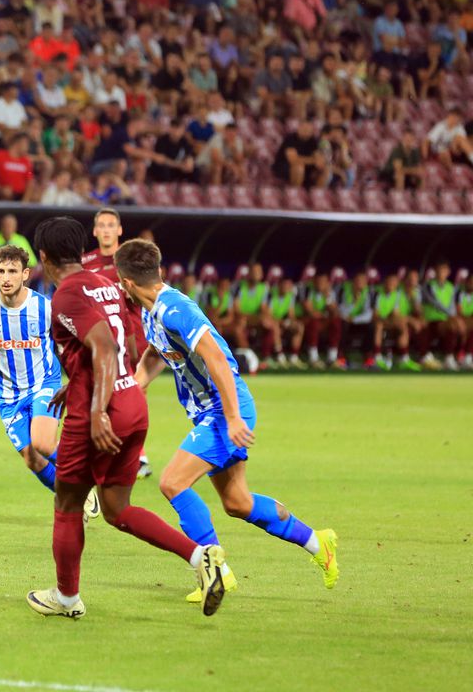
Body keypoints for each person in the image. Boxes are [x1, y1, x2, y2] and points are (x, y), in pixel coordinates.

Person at [116, 238, 339, 605]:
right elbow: (156, 355)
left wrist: (233, 417)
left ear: (126, 282)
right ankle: (319, 542)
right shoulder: (149, 310)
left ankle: (215, 570)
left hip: (224, 409)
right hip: (211, 411)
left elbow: (217, 359)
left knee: (172, 482)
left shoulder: (177, 309)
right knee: (237, 502)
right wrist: (132, 389)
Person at [26, 218, 225, 620]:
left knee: (67, 501)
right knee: (117, 508)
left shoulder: (64, 295)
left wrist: (97, 408)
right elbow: (127, 343)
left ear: (43, 258)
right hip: (131, 400)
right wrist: (85, 382)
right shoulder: (105, 282)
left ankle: (65, 598)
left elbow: (102, 345)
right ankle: (200, 556)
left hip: (100, 412)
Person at [0, 244, 101, 518]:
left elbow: (69, 343)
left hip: (44, 384)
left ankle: (84, 480)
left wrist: (76, 376)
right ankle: (71, 497)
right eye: (1, 271)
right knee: (32, 458)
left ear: (25, 273)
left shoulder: (45, 307)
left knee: (43, 443)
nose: (6, 278)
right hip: (8, 396)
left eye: (13, 271)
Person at [81, 207, 151, 478]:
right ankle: (107, 452)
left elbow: (152, 291)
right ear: (95, 230)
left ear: (120, 230)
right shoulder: (85, 262)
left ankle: (138, 455)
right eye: (102, 225)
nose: (107, 229)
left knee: (133, 393)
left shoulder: (132, 258)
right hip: (99, 340)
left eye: (112, 224)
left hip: (133, 337)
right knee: (99, 394)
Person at [372, 272, 418, 371]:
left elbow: (395, 313)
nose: (391, 284)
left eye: (394, 282)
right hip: (375, 321)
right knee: (379, 325)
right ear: (385, 282)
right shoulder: (377, 293)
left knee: (402, 325)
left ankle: (404, 359)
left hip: (388, 321)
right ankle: (377, 357)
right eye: (390, 282)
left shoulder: (396, 295)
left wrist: (405, 319)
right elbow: (375, 315)